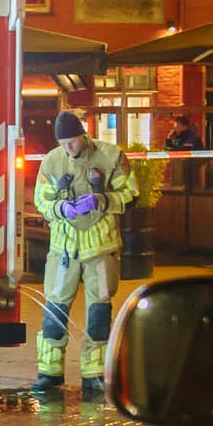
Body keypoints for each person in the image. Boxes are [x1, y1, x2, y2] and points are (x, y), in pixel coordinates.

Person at [33, 110, 136, 396]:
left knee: (99, 311)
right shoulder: (52, 161)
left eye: (72, 142)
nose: (68, 148)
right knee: (55, 308)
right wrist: (60, 208)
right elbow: (41, 200)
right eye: (63, 143)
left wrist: (101, 200)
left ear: (83, 134)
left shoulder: (111, 156)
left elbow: (131, 194)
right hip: (63, 248)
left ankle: (94, 373)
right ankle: (49, 371)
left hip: (100, 247)